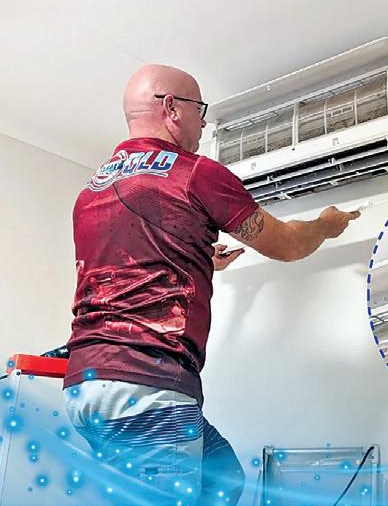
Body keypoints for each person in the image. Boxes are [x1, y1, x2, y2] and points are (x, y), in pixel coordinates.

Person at [62, 64, 360, 505]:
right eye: (200, 110)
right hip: (149, 388)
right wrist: (325, 225)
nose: (204, 123)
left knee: (224, 477)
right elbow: (287, 245)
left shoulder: (92, 191)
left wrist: (200, 257)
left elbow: (127, 267)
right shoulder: (195, 173)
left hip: (86, 387)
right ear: (171, 108)